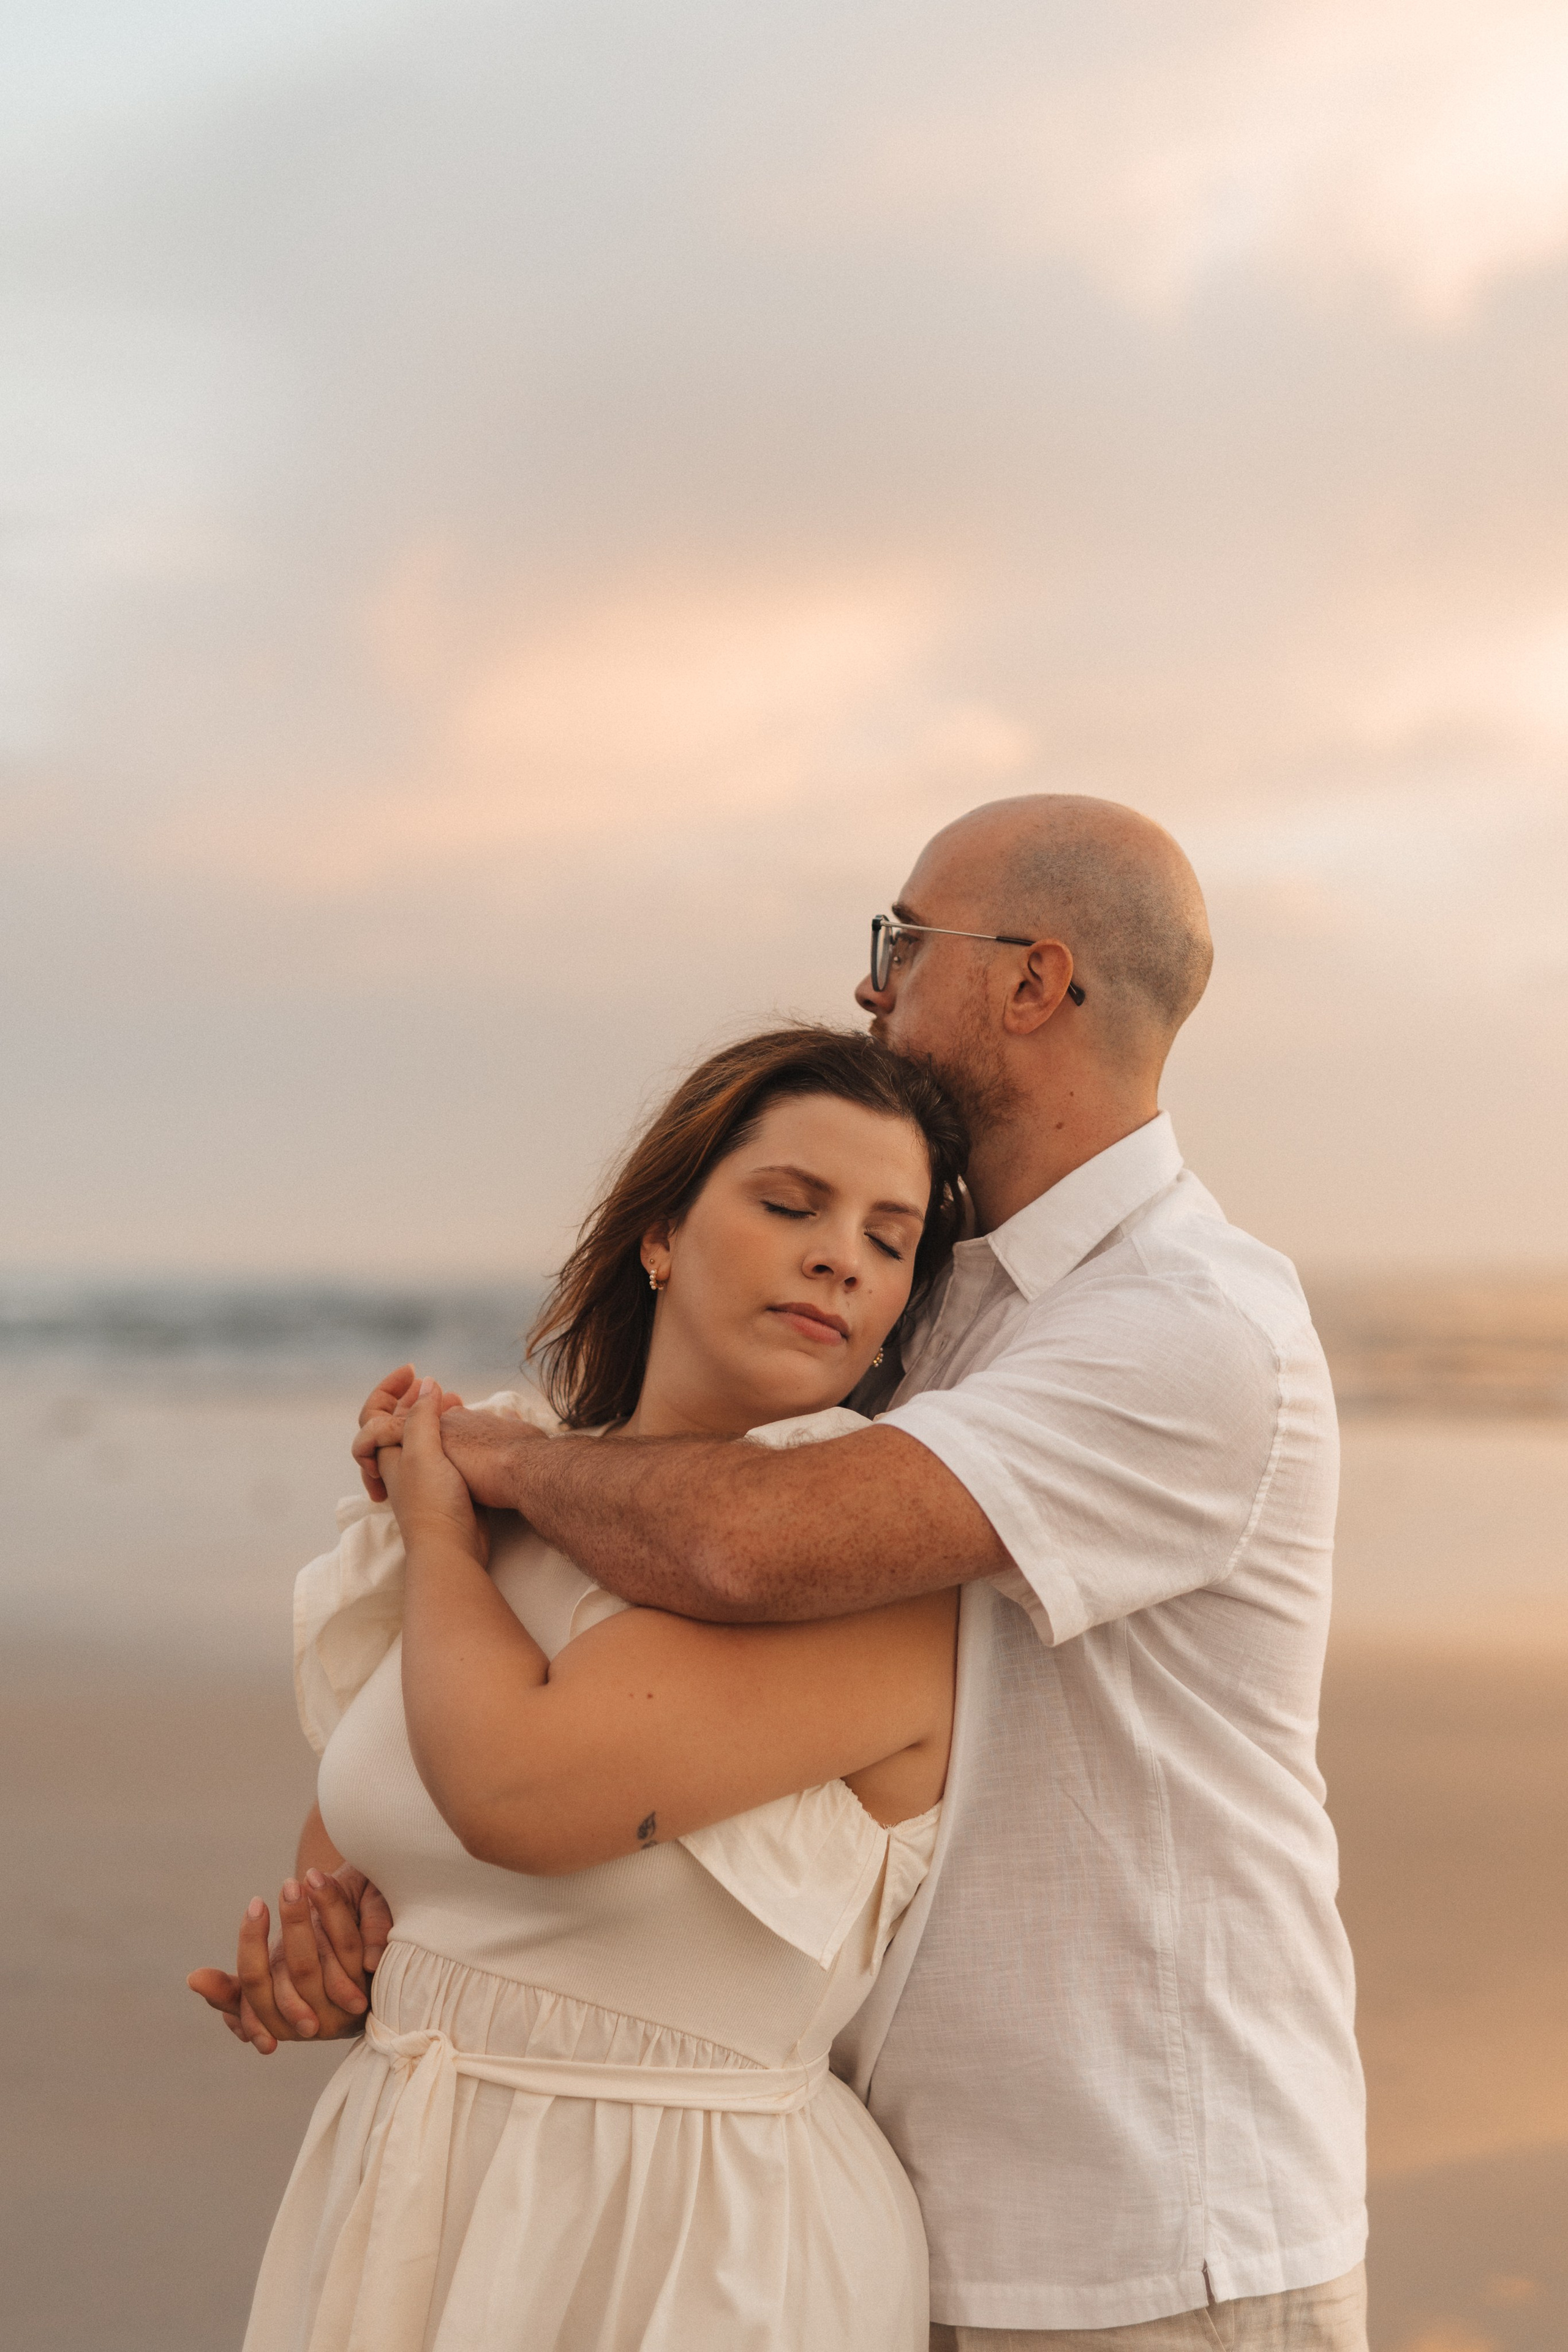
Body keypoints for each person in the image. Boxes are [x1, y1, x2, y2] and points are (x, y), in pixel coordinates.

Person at [361, 794, 1369, 2351]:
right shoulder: (933, 1310)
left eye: (900, 942)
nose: (869, 988)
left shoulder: (1184, 1328)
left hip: (1149, 2232)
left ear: (1030, 981)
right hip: (898, 2200)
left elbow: (740, 1541)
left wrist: (483, 1465)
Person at [189, 1027, 970, 2351]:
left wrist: (438, 1530)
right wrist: (325, 1968)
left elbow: (516, 1792)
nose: (840, 1253)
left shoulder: (872, 1570)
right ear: (658, 1235)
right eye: (791, 1205)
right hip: (416, 2189)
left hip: (689, 2244)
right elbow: (373, 1861)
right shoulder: (513, 1484)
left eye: (888, 1241)